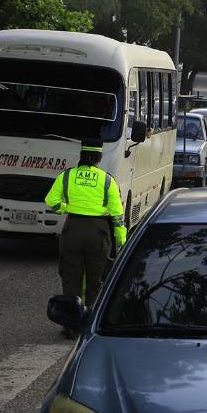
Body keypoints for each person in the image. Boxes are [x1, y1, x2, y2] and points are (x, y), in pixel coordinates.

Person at [45, 140, 127, 336]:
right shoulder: (107, 180)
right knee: (96, 280)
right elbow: (117, 215)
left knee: (71, 278)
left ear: (81, 156)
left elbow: (51, 202)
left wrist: (67, 208)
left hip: (72, 230)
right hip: (99, 233)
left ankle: (70, 325)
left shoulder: (67, 176)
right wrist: (121, 241)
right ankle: (92, 324)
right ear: (99, 158)